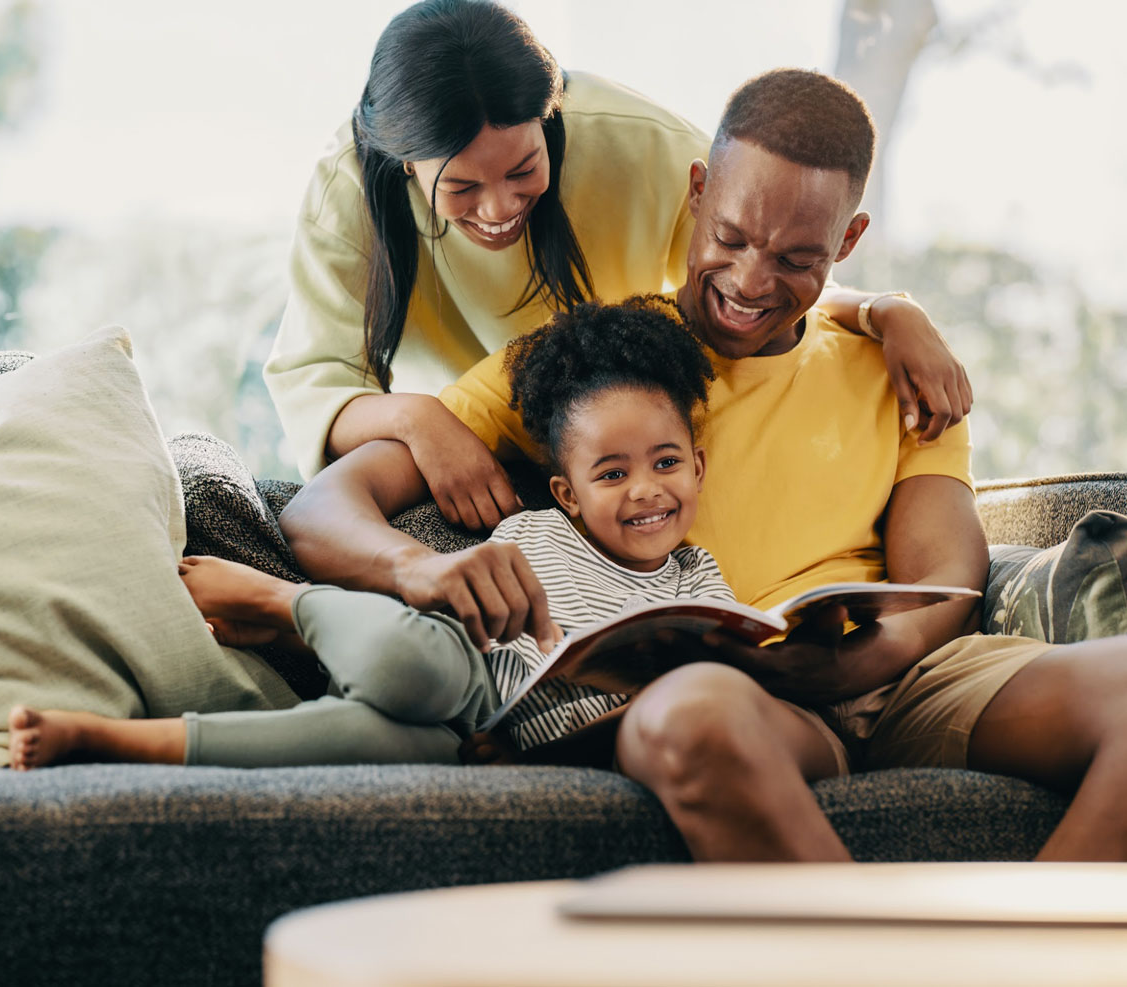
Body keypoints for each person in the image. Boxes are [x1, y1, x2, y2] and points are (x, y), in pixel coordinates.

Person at [279, 68, 1127, 861]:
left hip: (904, 675)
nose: (752, 282)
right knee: (684, 717)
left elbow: (943, 572)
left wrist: (882, 648)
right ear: (696, 192)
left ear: (851, 239)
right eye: (729, 238)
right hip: (742, 699)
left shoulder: (891, 367)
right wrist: (418, 567)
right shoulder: (595, 366)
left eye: (799, 259)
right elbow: (320, 509)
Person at [264, 0, 972, 533]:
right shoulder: (350, 188)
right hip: (471, 433)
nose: (499, 208)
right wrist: (422, 421)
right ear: (403, 165)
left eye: (523, 170)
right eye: (461, 189)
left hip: (615, 447)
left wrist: (888, 311)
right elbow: (315, 379)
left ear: (552, 114)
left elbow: (757, 279)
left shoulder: (642, 146)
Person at [8, 296, 734, 769]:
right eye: (611, 474)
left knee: (373, 745)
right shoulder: (534, 536)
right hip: (462, 676)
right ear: (567, 495)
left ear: (697, 468)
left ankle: (105, 739)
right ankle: (283, 604)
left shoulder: (698, 579)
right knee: (417, 669)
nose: (645, 489)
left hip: (479, 741)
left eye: (665, 462)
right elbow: (449, 625)